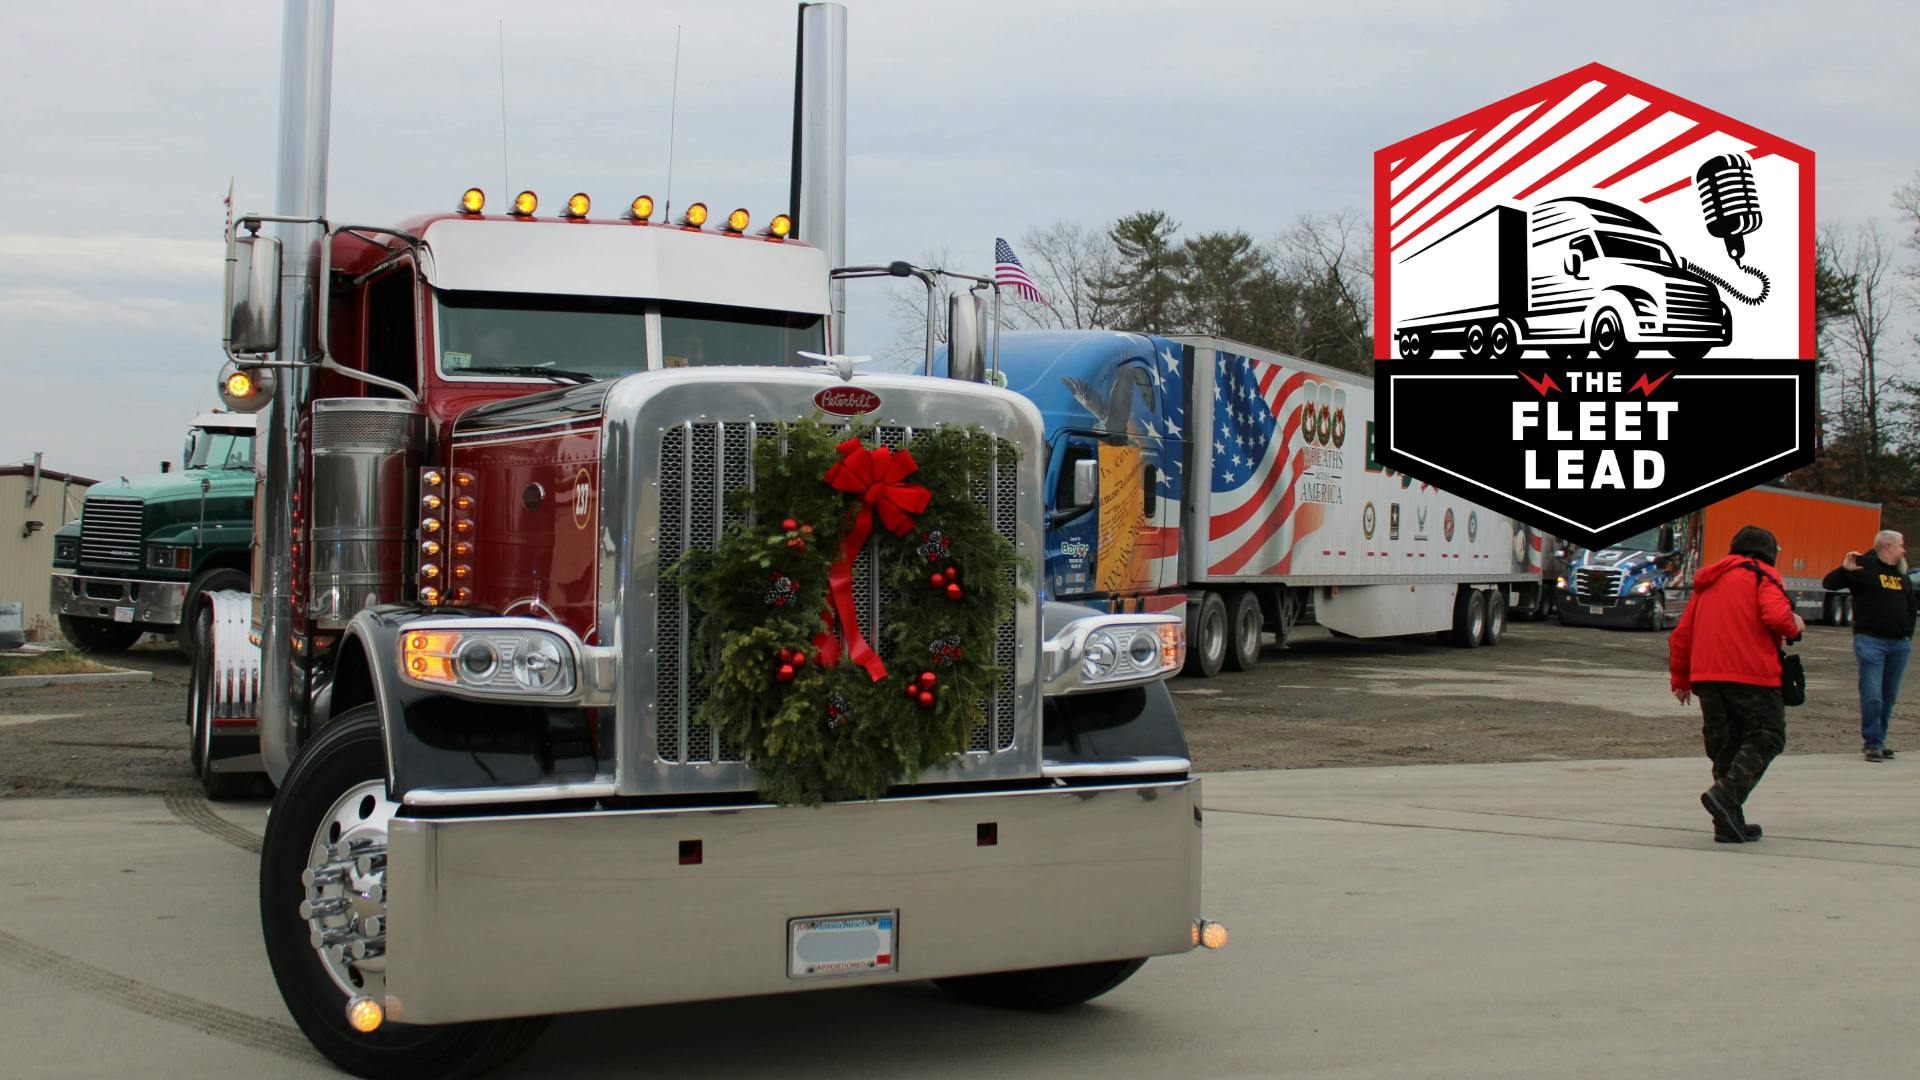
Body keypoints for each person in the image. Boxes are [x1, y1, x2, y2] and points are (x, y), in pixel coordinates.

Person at [1668, 525, 1805, 843]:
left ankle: (1728, 824)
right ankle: (1726, 797)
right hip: (1752, 674)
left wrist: (1681, 679)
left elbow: (1681, 635)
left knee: (1725, 746)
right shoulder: (1763, 575)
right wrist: (1795, 624)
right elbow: (1776, 616)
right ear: (1768, 552)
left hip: (1707, 677)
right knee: (1768, 736)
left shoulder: (1708, 583)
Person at [1822, 529, 1916, 762]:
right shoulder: (1864, 569)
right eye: (1901, 545)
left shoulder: (1901, 576)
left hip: (1899, 644)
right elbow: (1829, 583)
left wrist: (1907, 634)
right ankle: (1872, 742)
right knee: (1872, 693)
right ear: (1888, 547)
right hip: (1870, 641)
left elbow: (1910, 607)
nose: (1904, 550)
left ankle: (1879, 739)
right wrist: (1844, 568)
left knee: (1889, 694)